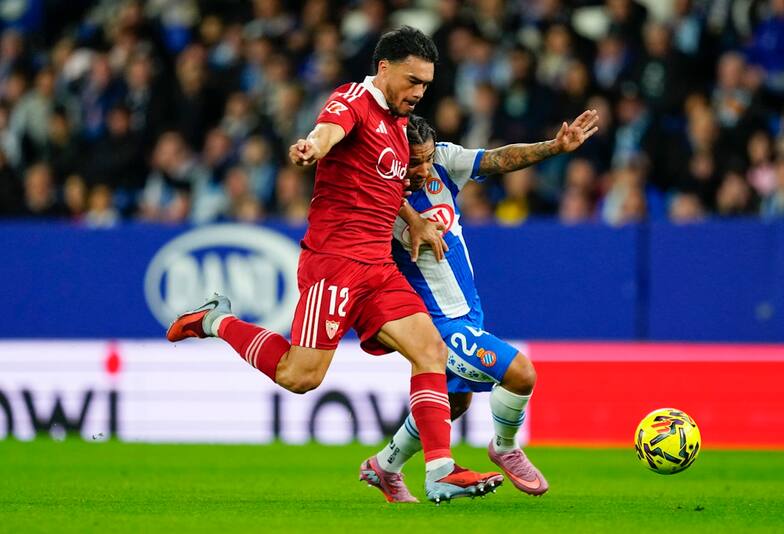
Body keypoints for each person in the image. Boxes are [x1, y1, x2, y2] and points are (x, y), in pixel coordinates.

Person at [166, 26, 501, 504]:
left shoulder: (401, 122)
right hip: (335, 265)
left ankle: (440, 470)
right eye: (411, 81)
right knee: (299, 376)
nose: (418, 93)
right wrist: (312, 146)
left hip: (378, 266)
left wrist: (416, 221)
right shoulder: (352, 100)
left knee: (430, 353)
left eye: (425, 84)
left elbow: (383, 185)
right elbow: (329, 131)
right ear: (383, 69)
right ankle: (216, 320)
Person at [359, 112, 598, 502]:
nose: (420, 169)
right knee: (520, 373)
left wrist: (553, 147)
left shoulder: (443, 163)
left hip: (468, 312)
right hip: (434, 323)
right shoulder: (380, 195)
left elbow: (499, 158)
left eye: (425, 158)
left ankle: (384, 466)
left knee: (453, 403)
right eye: (411, 160)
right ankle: (504, 446)